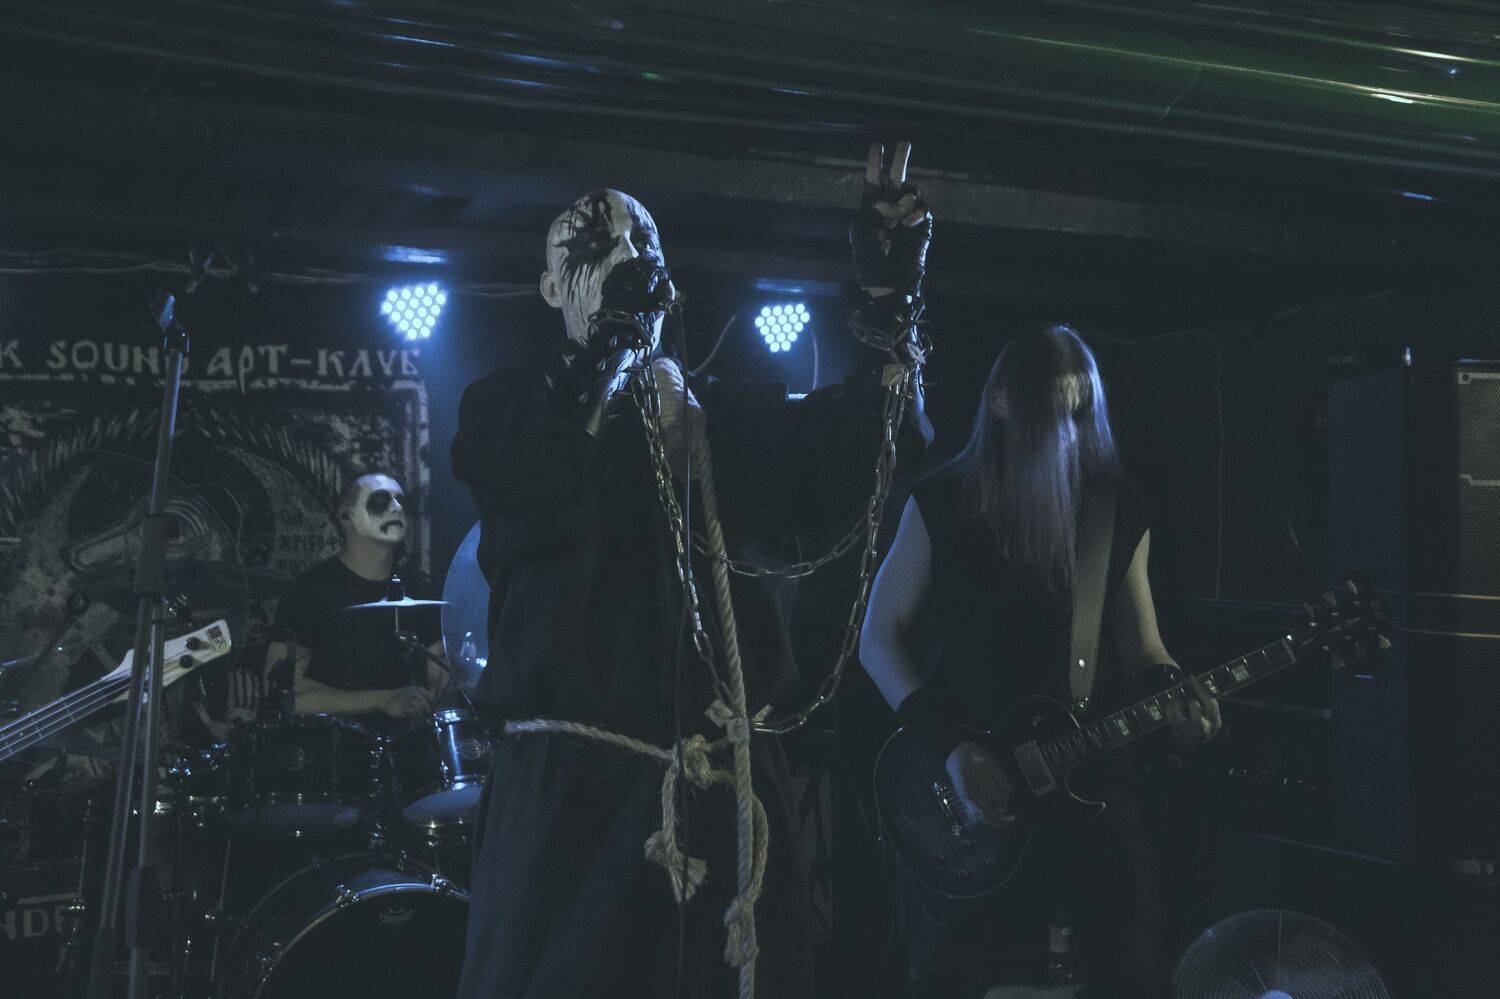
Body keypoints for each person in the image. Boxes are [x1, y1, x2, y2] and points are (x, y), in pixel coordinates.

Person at [451, 143, 933, 997]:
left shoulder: (720, 423)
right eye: (597, 247)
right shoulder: (506, 410)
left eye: (644, 245)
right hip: (572, 807)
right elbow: (547, 469)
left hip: (718, 793)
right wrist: (612, 346)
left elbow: (864, 453)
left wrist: (889, 302)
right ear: (552, 288)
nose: (627, 258)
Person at [859, 324, 1223, 998]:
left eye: (1081, 414)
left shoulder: (1116, 511)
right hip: (973, 790)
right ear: (1001, 402)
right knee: (959, 976)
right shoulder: (941, 502)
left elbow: (1145, 648)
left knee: (1135, 967)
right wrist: (949, 749)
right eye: (1052, 413)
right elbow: (877, 638)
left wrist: (1181, 700)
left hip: (1092, 778)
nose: (1068, 435)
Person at [263, 472, 446, 729]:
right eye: (380, 500)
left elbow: (440, 677)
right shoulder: (309, 593)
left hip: (409, 742)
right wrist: (384, 700)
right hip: (333, 743)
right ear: (346, 516)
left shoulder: (421, 591)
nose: (397, 508)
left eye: (401, 501)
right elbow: (282, 693)